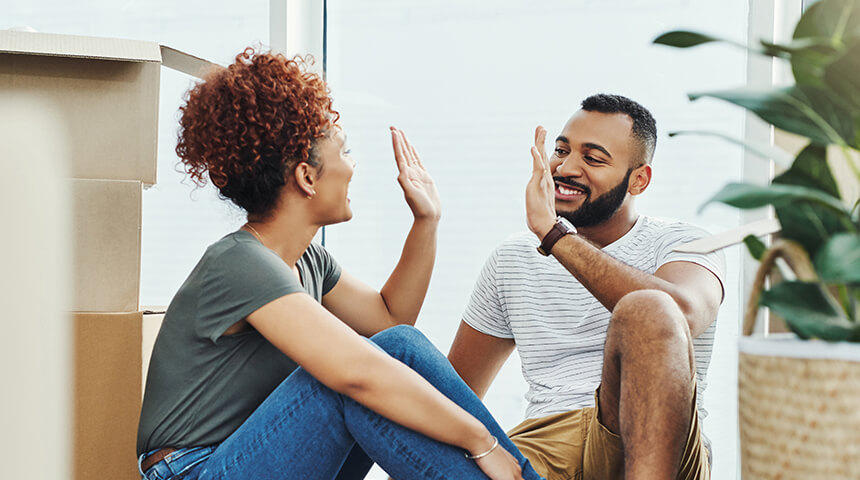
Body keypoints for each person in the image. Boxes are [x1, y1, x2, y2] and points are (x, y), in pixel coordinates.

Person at [136, 47, 545, 480]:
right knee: (358, 377)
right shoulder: (240, 262)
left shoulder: (307, 261)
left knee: (391, 352)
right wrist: (481, 441)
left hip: (249, 458)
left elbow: (391, 320)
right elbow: (360, 373)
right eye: (344, 151)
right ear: (307, 177)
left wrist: (427, 221)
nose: (352, 167)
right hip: (194, 471)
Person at [448, 94, 726, 480]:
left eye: (593, 159)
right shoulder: (511, 259)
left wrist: (554, 234)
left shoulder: (685, 243)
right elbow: (454, 398)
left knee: (648, 308)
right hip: (543, 445)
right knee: (401, 355)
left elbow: (683, 313)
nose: (567, 167)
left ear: (639, 180)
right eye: (561, 150)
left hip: (652, 442)